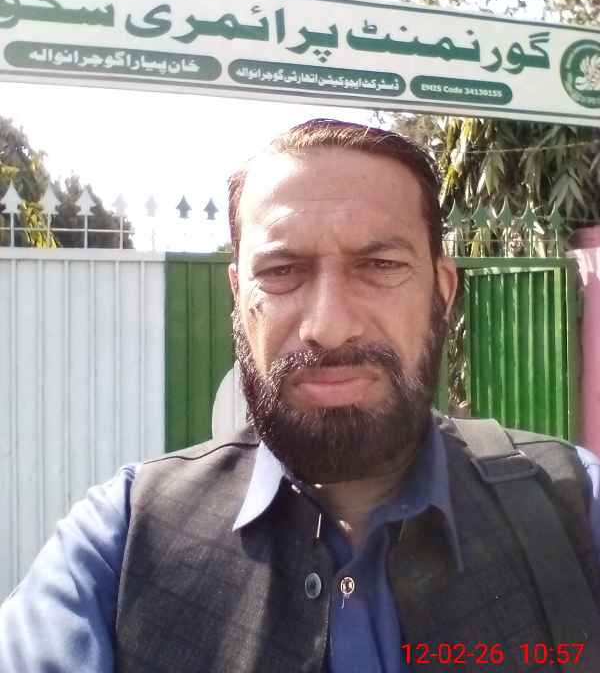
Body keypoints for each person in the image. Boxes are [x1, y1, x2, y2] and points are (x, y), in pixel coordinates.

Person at [1, 118, 600, 672]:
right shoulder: (120, 542)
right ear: (239, 298)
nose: (330, 327)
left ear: (441, 292)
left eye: (380, 265)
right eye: (281, 272)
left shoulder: (576, 503)